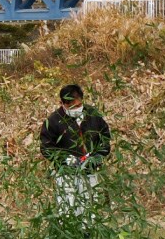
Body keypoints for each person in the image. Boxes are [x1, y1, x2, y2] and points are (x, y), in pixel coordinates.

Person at [39, 83, 111, 218]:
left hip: (90, 172)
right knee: (68, 210)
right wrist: (64, 159)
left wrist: (96, 157)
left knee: (90, 210)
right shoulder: (54, 121)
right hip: (66, 175)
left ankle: (88, 235)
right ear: (62, 103)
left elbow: (105, 140)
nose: (76, 109)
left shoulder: (94, 116)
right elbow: (46, 147)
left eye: (78, 106)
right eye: (71, 107)